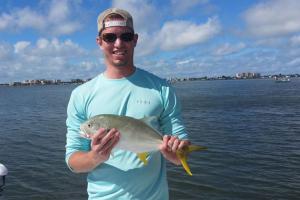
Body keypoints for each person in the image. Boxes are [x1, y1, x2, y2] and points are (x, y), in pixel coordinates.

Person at [65, 8, 190, 200]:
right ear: (99, 42)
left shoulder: (162, 89)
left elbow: (178, 154)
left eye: (126, 36)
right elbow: (73, 161)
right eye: (109, 37)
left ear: (135, 40)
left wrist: (175, 153)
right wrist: (96, 156)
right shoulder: (81, 95)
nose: (118, 43)